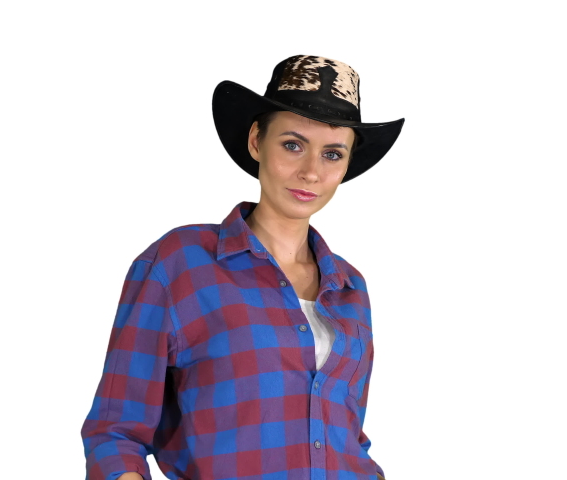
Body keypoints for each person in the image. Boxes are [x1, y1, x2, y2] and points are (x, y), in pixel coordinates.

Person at [81, 54, 404, 480]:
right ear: (256, 141)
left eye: (331, 154)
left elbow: (347, 436)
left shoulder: (350, 287)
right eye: (292, 144)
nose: (310, 171)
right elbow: (115, 433)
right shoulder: (180, 264)